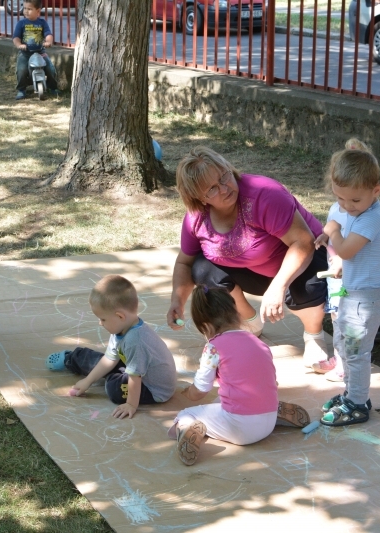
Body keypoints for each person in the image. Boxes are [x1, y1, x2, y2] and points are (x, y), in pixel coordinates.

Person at [167, 146, 331, 367]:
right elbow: (185, 263)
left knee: (305, 288)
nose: (224, 188)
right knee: (202, 269)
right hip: (257, 271)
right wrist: (177, 301)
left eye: (224, 176)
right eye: (212, 189)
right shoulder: (196, 218)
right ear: (200, 198)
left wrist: (279, 286)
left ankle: (314, 337)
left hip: (307, 258)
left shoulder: (264, 194)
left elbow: (303, 243)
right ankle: (250, 322)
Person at [168, 286, 311, 466]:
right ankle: (274, 412)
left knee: (187, 414)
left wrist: (188, 392)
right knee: (219, 403)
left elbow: (200, 390)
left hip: (240, 430)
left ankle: (187, 429)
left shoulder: (214, 346)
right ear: (236, 315)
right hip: (269, 418)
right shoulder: (259, 343)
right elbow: (271, 381)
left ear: (206, 326)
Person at [314, 138, 380, 426]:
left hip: (367, 300)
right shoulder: (346, 209)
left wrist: (332, 232)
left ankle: (358, 403)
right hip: (350, 293)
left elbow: (345, 248)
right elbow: (335, 224)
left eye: (355, 200)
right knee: (346, 347)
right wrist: (326, 234)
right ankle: (353, 393)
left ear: (376, 191)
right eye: (339, 198)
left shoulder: (373, 218)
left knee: (357, 354)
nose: (347, 206)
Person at [45, 275, 177, 419]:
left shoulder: (136, 340)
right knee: (98, 361)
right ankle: (72, 358)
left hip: (153, 389)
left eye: (103, 319)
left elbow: (135, 377)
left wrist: (131, 405)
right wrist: (87, 381)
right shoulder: (122, 327)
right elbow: (109, 359)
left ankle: (110, 376)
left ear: (120, 316)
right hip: (132, 369)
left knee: (113, 389)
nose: (100, 323)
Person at [310, 204, 349, 382]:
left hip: (348, 277)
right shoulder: (336, 207)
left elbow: (355, 245)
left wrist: (342, 254)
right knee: (336, 318)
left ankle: (345, 366)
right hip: (334, 274)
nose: (343, 201)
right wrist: (325, 235)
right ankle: (339, 357)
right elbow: (331, 228)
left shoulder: (359, 214)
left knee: (346, 322)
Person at [12, 0, 59, 100]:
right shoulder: (21, 23)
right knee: (21, 69)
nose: (26, 11)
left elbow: (48, 34)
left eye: (29, 9)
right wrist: (19, 45)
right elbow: (16, 37)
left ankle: (53, 87)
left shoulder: (42, 23)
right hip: (25, 53)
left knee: (50, 69)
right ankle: (21, 89)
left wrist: (48, 42)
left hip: (40, 52)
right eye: (24, 8)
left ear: (38, 11)